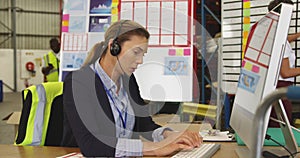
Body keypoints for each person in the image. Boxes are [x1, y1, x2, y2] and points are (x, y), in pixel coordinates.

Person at [61, 20, 202, 157]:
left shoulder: (128, 80)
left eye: (143, 54)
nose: (140, 61)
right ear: (113, 47)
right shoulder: (78, 82)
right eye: (136, 52)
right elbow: (91, 144)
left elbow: (144, 124)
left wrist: (169, 135)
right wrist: (154, 149)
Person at [268, 0, 300, 127]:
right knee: (281, 125)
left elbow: (284, 40)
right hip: (281, 88)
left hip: (273, 87)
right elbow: (286, 72)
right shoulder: (280, 41)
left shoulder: (273, 32)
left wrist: (298, 34)